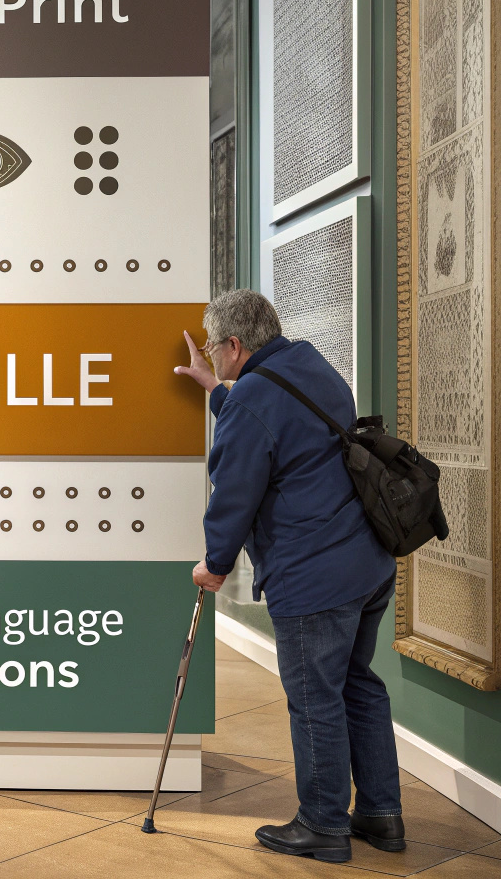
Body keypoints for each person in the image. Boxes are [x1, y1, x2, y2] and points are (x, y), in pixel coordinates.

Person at [175, 289, 402, 865]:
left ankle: (323, 824)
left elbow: (235, 493)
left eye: (212, 346)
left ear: (234, 345)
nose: (209, 353)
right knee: (358, 684)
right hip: (366, 563)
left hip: (315, 575)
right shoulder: (310, 364)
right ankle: (380, 814)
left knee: (314, 698)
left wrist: (215, 565)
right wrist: (216, 391)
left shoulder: (253, 399)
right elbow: (286, 432)